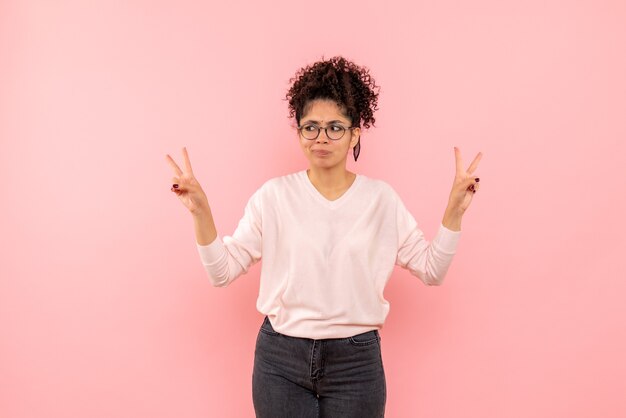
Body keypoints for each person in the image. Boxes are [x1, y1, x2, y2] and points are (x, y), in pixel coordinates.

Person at [165, 55, 482, 418]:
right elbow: (221, 272)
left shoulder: (381, 200)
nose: (321, 137)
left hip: (357, 364)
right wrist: (200, 211)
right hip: (280, 361)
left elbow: (432, 270)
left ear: (354, 133)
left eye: (335, 127)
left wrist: (454, 210)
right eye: (310, 127)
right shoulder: (273, 197)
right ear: (298, 131)